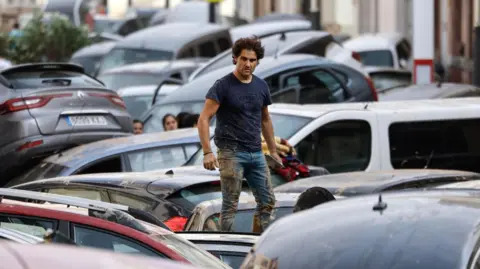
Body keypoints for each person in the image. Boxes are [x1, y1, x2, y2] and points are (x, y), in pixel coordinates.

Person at [197, 36, 281, 233]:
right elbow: (203, 119)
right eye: (244, 59)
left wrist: (274, 150)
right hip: (231, 153)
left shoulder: (261, 86)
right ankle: (225, 252)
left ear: (257, 62)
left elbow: (265, 119)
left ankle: (256, 244)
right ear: (235, 58)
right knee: (230, 207)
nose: (248, 64)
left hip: (256, 152)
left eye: (252, 60)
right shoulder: (223, 85)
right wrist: (207, 152)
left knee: (268, 202)